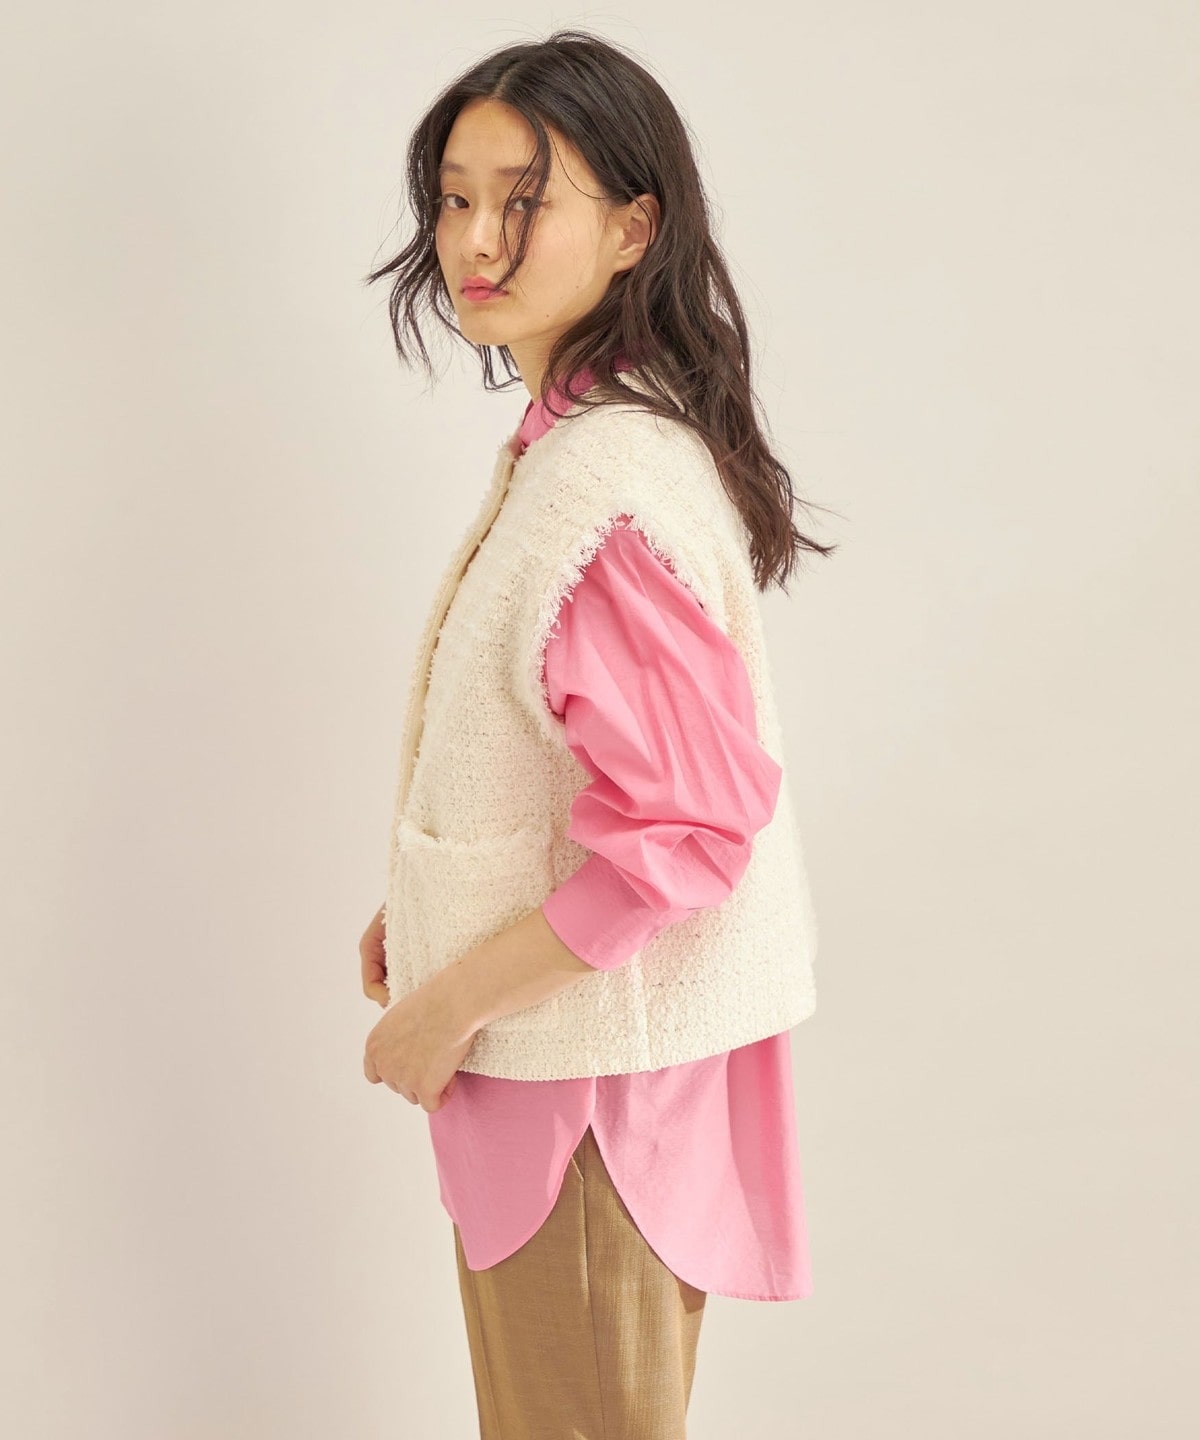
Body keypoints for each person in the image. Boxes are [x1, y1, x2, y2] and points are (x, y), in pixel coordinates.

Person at [358, 29, 837, 1440]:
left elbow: (686, 832)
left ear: (635, 229)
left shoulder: (606, 490)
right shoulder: (576, 446)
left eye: (526, 201)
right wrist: (428, 911)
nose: (476, 240)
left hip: (588, 1112)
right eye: (456, 198)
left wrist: (445, 1005)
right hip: (577, 1092)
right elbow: (555, 758)